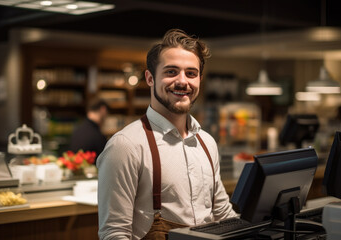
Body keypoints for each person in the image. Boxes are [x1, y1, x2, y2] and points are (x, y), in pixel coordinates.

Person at [97, 29, 237, 240]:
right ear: (150, 78)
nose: (182, 81)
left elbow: (223, 213)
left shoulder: (207, 143)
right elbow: (114, 233)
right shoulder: (125, 146)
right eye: (171, 72)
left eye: (191, 73)